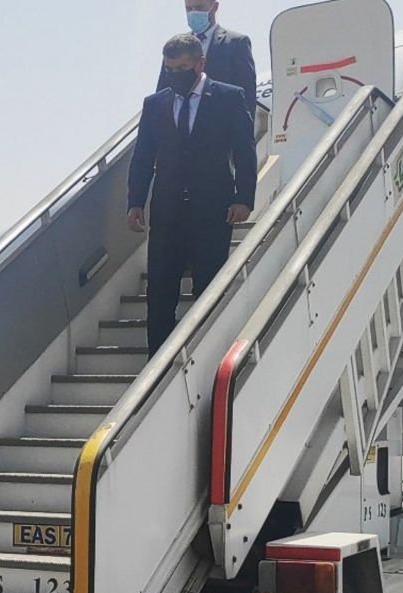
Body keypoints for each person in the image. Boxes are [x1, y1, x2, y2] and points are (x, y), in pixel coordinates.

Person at [129, 34, 257, 358]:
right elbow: (143, 157)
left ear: (200, 64)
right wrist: (135, 201)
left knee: (208, 290)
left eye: (182, 68)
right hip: (166, 213)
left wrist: (244, 197)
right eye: (169, 69)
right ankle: (157, 370)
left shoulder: (228, 98)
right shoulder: (155, 105)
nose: (175, 75)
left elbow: (244, 150)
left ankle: (206, 360)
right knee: (160, 293)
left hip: (212, 211)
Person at [158, 1, 257, 115]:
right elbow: (162, 92)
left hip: (219, 120)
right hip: (180, 120)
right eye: (189, 9)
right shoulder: (175, 46)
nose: (193, 13)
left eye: (199, 8)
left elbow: (247, 95)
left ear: (214, 7)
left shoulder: (236, 43)